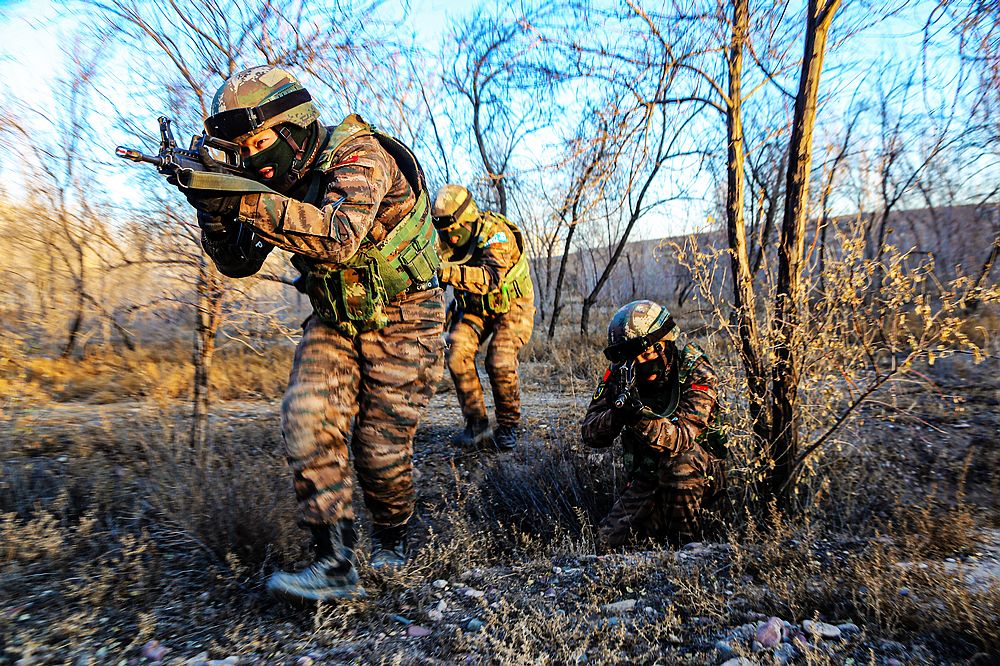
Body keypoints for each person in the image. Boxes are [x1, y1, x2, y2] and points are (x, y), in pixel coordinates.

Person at [185, 65, 445, 602]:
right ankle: (334, 561)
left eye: (258, 140)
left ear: (294, 127)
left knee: (379, 450)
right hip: (335, 316)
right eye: (240, 147)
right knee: (305, 418)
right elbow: (238, 263)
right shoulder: (265, 184)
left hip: (407, 316)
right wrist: (213, 209)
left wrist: (241, 200)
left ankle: (396, 534)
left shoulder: (359, 154)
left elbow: (339, 237)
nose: (253, 156)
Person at [581, 300, 726, 549]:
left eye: (646, 353)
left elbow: (681, 438)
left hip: (700, 475)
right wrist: (617, 414)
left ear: (666, 343)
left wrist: (637, 419)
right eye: (632, 356)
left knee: (682, 462)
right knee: (606, 544)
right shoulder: (620, 372)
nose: (640, 363)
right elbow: (591, 434)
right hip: (647, 474)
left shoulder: (695, 369)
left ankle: (688, 549)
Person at [431, 185, 535, 450]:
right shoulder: (442, 239)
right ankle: (476, 425)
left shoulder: (495, 234)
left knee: (499, 360)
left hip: (512, 306)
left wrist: (445, 273)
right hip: (475, 307)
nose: (450, 239)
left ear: (467, 219)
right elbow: (433, 278)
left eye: (453, 231)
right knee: (456, 354)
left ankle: (509, 425)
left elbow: (490, 278)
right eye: (444, 232)